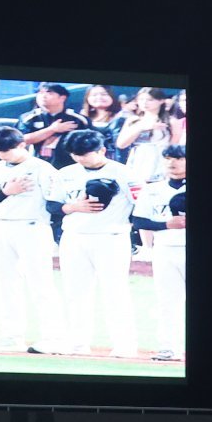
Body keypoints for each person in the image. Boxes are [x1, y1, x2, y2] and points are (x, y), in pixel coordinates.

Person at [53, 130, 144, 358]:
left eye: (85, 154)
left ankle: (125, 345)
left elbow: (140, 205)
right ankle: (77, 344)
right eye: (76, 154)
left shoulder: (124, 173)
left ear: (102, 150)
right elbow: (52, 206)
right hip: (74, 236)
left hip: (110, 238)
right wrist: (73, 207)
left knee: (115, 292)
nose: (80, 158)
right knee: (75, 292)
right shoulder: (65, 173)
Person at [0, 126, 62, 354]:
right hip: (1, 227)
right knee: (7, 284)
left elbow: (54, 204)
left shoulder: (42, 168)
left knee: (40, 283)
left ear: (22, 144)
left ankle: (53, 337)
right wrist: (7, 192)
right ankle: (11, 336)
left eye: (8, 149)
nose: (4, 154)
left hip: (32, 228)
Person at [132, 143, 187, 360]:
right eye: (167, 158)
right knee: (167, 301)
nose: (171, 163)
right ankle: (169, 348)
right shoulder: (153, 189)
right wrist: (167, 224)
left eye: (178, 158)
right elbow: (139, 220)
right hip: (165, 250)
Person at [17, 83, 90, 169]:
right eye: (40, 93)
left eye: (49, 93)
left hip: (71, 166)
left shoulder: (79, 119)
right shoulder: (28, 118)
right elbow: (21, 140)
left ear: (62, 98)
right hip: (37, 165)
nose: (43, 96)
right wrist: (52, 129)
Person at [114, 86, 175, 185]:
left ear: (161, 101)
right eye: (141, 99)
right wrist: (141, 127)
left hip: (161, 160)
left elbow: (174, 146)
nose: (145, 103)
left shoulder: (171, 121)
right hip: (139, 159)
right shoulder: (133, 120)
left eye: (150, 99)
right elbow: (121, 144)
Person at [80, 85, 126, 160]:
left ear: (112, 96)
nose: (99, 97)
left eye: (104, 94)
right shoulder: (83, 117)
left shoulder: (122, 116)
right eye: (94, 95)